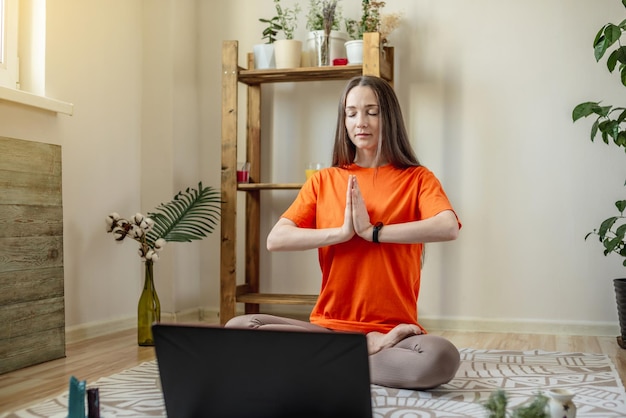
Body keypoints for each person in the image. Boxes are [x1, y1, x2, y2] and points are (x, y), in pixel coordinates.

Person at [225, 75, 462, 390]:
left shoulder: (417, 179)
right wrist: (341, 232)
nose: (360, 122)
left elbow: (447, 226)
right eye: (351, 113)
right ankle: (358, 352)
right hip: (330, 328)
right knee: (239, 326)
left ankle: (327, 361)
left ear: (388, 116)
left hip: (394, 334)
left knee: (440, 357)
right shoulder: (325, 180)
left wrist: (373, 232)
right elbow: (276, 239)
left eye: (371, 112)